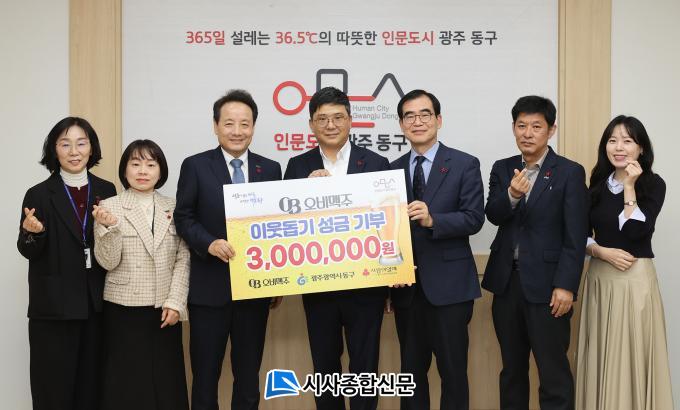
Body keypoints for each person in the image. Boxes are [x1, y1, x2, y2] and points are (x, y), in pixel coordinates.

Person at [174, 89, 282, 410]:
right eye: (229, 123)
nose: (237, 131)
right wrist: (209, 242)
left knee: (248, 378)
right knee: (205, 378)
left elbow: (278, 225)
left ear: (253, 127)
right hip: (209, 290)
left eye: (244, 124)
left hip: (254, 291)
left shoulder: (270, 169)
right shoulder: (195, 166)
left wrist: (278, 279)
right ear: (216, 126)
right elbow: (183, 217)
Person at [284, 86, 390, 410]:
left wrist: (390, 279)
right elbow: (285, 225)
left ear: (350, 120)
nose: (331, 125)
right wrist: (306, 193)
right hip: (318, 286)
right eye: (322, 119)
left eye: (338, 118)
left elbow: (389, 221)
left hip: (366, 285)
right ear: (311, 124)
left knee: (365, 368)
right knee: (325, 368)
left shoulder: (376, 163)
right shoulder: (297, 166)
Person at [482, 95, 588, 410]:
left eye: (536, 126)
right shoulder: (503, 168)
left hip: (549, 288)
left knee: (553, 374)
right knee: (512, 372)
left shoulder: (569, 172)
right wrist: (512, 195)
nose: (527, 133)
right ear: (514, 128)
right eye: (521, 125)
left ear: (551, 130)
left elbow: (576, 235)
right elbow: (493, 214)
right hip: (507, 285)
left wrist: (566, 285)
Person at [387, 89, 485, 410]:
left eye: (424, 114)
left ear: (438, 120)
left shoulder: (464, 164)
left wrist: (433, 220)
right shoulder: (391, 170)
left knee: (453, 374)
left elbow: (474, 218)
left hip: (450, 289)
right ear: (401, 124)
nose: (417, 122)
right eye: (409, 116)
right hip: (406, 290)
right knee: (411, 376)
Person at [17, 117, 116, 410]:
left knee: (92, 389)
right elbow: (27, 250)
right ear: (54, 150)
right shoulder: (38, 194)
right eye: (65, 144)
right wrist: (31, 233)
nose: (74, 151)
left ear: (91, 148)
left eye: (81, 143)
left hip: (96, 306)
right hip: (53, 310)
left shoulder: (107, 190)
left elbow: (115, 244)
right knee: (52, 390)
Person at [575, 115, 673, 409]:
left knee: (632, 356)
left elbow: (635, 232)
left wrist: (630, 186)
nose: (618, 147)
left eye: (627, 141)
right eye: (612, 140)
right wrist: (600, 252)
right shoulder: (596, 184)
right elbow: (579, 234)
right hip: (599, 280)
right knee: (601, 355)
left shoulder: (653, 185)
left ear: (641, 148)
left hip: (635, 282)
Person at [93, 139, 190, 410]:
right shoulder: (109, 206)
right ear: (125, 170)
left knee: (165, 384)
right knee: (127, 384)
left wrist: (176, 302)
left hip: (164, 309)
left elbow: (183, 257)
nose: (143, 171)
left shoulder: (174, 206)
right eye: (135, 164)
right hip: (123, 309)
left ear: (161, 170)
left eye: (150, 164)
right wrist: (109, 229)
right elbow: (107, 262)